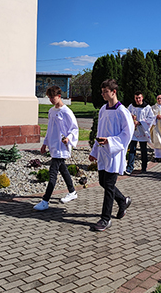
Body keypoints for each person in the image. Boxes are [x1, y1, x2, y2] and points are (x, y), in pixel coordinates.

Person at [89, 79, 134, 232]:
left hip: (114, 153)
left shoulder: (122, 111)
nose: (102, 94)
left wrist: (110, 141)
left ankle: (105, 219)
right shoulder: (103, 109)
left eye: (105, 92)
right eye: (102, 92)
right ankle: (123, 201)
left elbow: (127, 134)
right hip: (103, 152)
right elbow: (99, 131)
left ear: (113, 92)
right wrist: (94, 151)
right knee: (103, 182)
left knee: (108, 185)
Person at [34, 85, 79, 211]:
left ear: (59, 96)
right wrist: (45, 143)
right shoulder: (51, 111)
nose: (50, 100)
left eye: (52, 97)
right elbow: (50, 129)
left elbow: (74, 128)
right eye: (49, 98)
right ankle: (72, 192)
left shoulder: (66, 112)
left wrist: (68, 138)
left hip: (61, 147)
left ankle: (45, 200)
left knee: (52, 174)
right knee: (63, 169)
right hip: (54, 146)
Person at [125, 91, 154, 174]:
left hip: (142, 131)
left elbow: (151, 118)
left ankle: (144, 167)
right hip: (134, 131)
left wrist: (140, 122)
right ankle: (129, 168)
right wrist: (131, 118)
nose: (138, 100)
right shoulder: (131, 106)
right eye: (136, 98)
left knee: (143, 150)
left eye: (139, 98)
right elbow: (126, 115)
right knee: (132, 150)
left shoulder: (147, 107)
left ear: (142, 98)